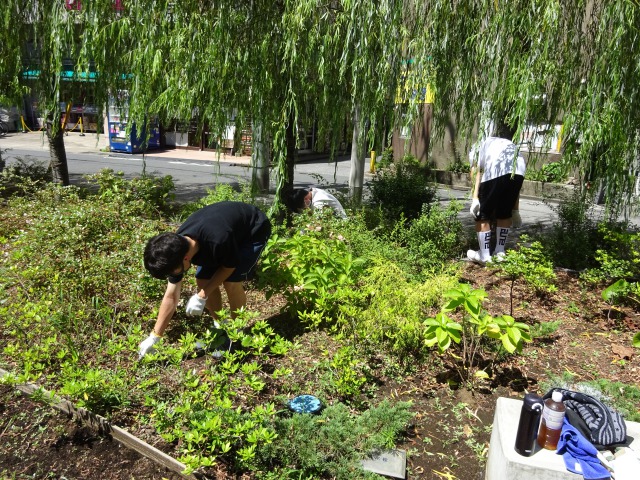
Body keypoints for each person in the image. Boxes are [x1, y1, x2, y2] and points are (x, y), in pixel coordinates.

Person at [138, 201, 271, 358]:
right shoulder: (174, 250)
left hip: (251, 231)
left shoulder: (218, 240)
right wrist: (155, 336)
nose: (173, 275)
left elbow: (229, 267)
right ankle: (220, 328)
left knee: (231, 281)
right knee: (202, 279)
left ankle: (237, 334)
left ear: (186, 258)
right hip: (223, 233)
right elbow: (171, 295)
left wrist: (202, 295)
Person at [467, 136, 526, 264]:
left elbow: (475, 170)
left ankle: (484, 256)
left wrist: (475, 198)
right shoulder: (499, 143)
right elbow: (516, 189)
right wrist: (515, 210)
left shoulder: (475, 148)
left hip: (498, 167)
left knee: (482, 214)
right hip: (519, 168)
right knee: (504, 212)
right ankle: (500, 252)